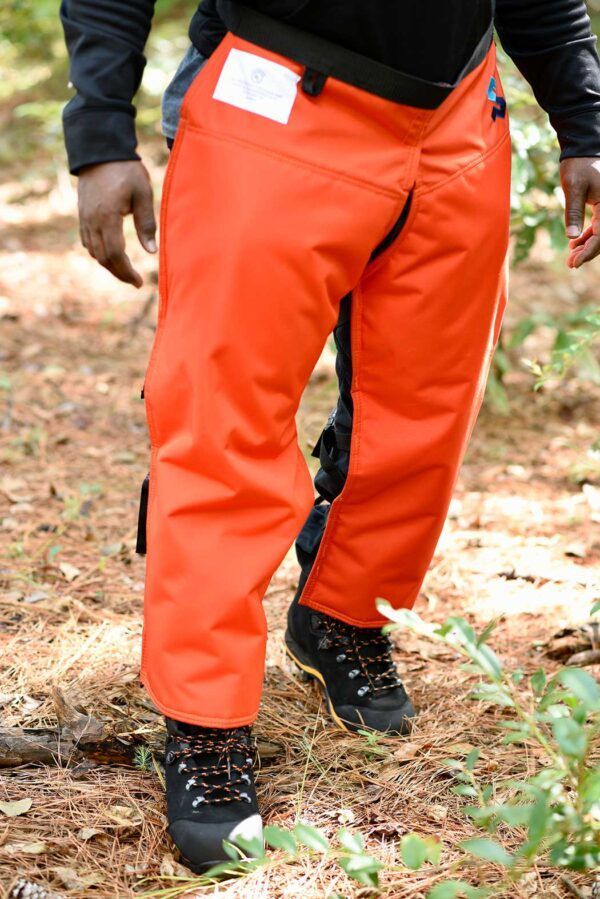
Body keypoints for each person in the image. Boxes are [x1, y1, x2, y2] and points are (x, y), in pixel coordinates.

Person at [60, 0, 600, 872]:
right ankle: (205, 724)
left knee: (422, 413)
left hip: (457, 115)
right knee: (221, 425)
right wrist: (99, 134)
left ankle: (343, 614)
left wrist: (585, 122)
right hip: (274, 97)